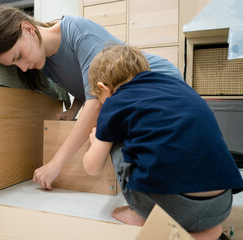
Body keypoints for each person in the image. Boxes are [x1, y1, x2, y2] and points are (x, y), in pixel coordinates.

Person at [0, 5, 183, 190]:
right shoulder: (43, 61)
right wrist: (74, 110)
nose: (23, 67)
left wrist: (56, 163)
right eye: (15, 65)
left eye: (19, 56)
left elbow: (96, 103)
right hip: (127, 100)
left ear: (28, 29)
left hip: (157, 83)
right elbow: (87, 82)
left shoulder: (78, 31)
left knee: (123, 145)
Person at [83, 44, 243, 240]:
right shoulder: (178, 86)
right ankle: (206, 229)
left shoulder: (115, 100)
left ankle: (140, 212)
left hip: (174, 205)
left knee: (113, 138)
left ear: (103, 88)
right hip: (222, 203)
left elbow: (92, 167)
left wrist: (96, 138)